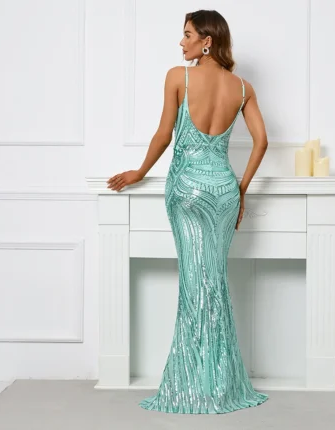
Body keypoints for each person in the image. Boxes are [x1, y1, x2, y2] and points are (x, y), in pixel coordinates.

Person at [107, 9, 269, 414]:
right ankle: (220, 384)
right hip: (224, 191)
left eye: (187, 35)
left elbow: (165, 134)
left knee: (196, 285)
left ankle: (192, 386)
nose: (181, 43)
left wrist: (140, 172)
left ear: (207, 41)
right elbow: (262, 141)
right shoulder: (242, 88)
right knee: (214, 283)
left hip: (187, 190)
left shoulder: (177, 77)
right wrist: (241, 190)